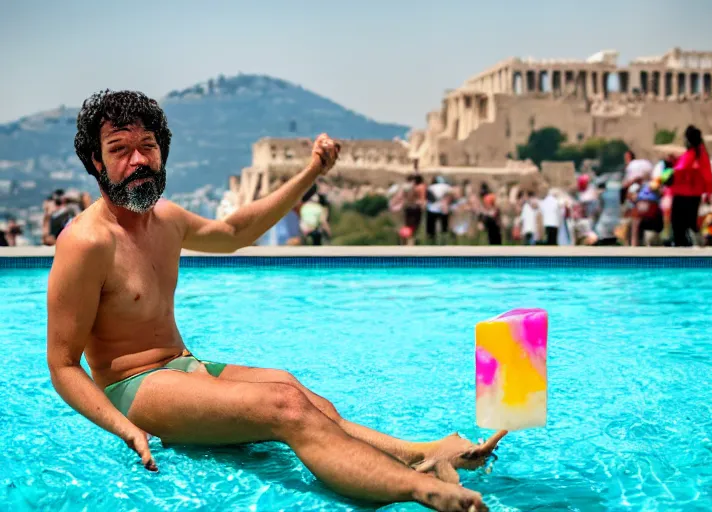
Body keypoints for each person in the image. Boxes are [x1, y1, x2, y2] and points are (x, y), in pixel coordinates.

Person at [46, 90, 501, 512]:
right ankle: (422, 490)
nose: (138, 159)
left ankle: (420, 454)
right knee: (283, 408)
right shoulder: (87, 243)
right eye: (120, 149)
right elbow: (63, 365)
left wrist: (311, 172)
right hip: (135, 386)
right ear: (96, 161)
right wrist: (124, 427)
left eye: (147, 145)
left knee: (292, 388)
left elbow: (234, 232)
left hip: (183, 366)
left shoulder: (163, 218)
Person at [669, 125, 712, 246]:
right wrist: (709, 192)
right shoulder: (702, 154)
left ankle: (683, 249)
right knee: (691, 223)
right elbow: (708, 175)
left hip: (682, 194)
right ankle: (696, 247)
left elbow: (680, 170)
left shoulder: (691, 154)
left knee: (678, 224)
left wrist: (670, 167)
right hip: (695, 195)